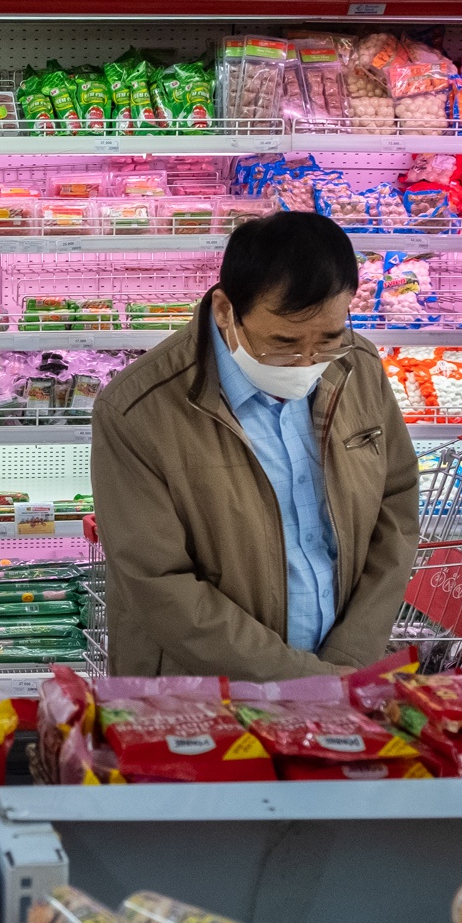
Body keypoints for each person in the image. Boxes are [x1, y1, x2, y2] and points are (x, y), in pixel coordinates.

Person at [92, 210, 420, 679]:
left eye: (328, 338)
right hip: (201, 697)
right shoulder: (137, 411)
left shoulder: (359, 367)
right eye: (283, 342)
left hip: (347, 676)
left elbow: (396, 505)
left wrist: (350, 660)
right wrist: (305, 681)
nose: (308, 362)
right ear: (226, 311)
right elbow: (158, 582)